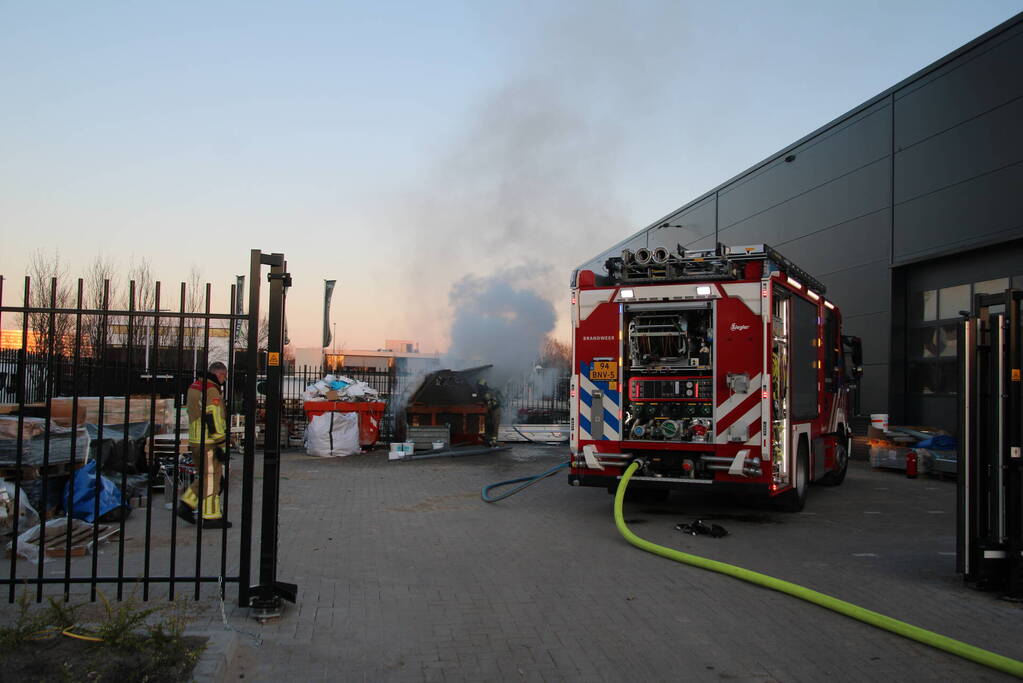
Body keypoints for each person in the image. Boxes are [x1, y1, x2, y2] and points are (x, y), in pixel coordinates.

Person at [177, 361, 232, 529]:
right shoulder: (211, 390)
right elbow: (213, 417)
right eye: (225, 376)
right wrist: (222, 443)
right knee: (212, 480)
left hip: (196, 440)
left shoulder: (195, 386)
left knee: (205, 477)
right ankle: (211, 517)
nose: (225, 380)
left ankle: (187, 505)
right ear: (220, 374)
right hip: (209, 442)